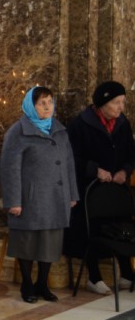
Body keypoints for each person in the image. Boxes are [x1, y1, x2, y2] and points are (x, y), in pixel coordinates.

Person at [0, 87, 79, 303]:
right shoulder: (18, 131)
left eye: (50, 102)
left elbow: (69, 164)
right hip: (29, 199)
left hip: (55, 197)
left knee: (50, 243)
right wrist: (14, 201)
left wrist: (72, 194)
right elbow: (9, 169)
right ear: (31, 106)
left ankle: (42, 283)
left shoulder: (59, 131)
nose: (47, 107)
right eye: (42, 103)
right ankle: (27, 284)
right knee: (26, 243)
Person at [65, 80, 135, 293]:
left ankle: (126, 273)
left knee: (120, 227)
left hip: (115, 188)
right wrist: (95, 170)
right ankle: (94, 276)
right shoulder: (80, 124)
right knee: (91, 228)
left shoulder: (122, 123)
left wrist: (124, 171)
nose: (121, 107)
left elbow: (131, 153)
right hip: (89, 188)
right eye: (116, 102)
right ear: (103, 103)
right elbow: (71, 157)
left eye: (123, 102)